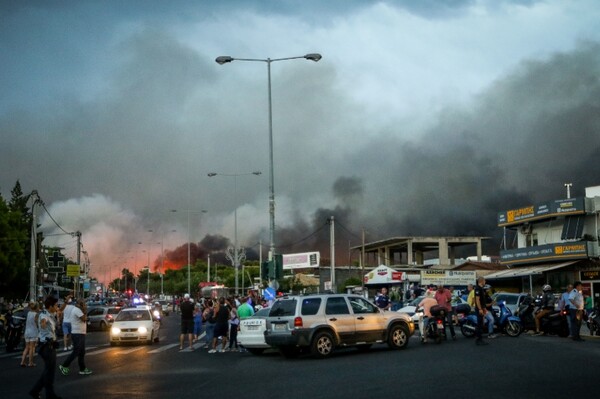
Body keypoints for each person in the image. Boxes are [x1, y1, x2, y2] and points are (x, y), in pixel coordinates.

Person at [29, 296, 62, 399]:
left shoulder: (50, 314)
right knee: (49, 373)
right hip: (47, 347)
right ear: (50, 306)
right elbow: (43, 322)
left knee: (48, 371)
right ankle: (49, 395)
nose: (57, 307)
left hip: (50, 345)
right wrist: (42, 325)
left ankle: (35, 391)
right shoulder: (44, 315)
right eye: (56, 305)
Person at [59, 299, 92, 376]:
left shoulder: (77, 310)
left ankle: (82, 369)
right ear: (79, 304)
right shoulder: (77, 310)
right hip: (77, 334)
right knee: (76, 352)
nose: (84, 305)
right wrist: (85, 311)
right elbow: (84, 318)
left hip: (80, 333)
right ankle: (64, 365)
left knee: (81, 352)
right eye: (83, 304)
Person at [21, 302, 39, 367]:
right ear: (36, 307)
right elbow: (37, 323)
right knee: (32, 348)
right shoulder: (36, 314)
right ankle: (30, 363)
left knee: (26, 347)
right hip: (33, 332)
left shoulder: (29, 313)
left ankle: (22, 362)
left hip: (27, 331)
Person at [474, 277, 489, 346]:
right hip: (479, 309)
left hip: (482, 308)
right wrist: (480, 309)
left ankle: (480, 339)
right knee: (479, 324)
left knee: (481, 324)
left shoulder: (481, 288)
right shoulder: (477, 288)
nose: (485, 282)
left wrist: (484, 308)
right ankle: (478, 339)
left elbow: (482, 300)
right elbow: (477, 300)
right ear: (481, 281)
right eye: (484, 281)